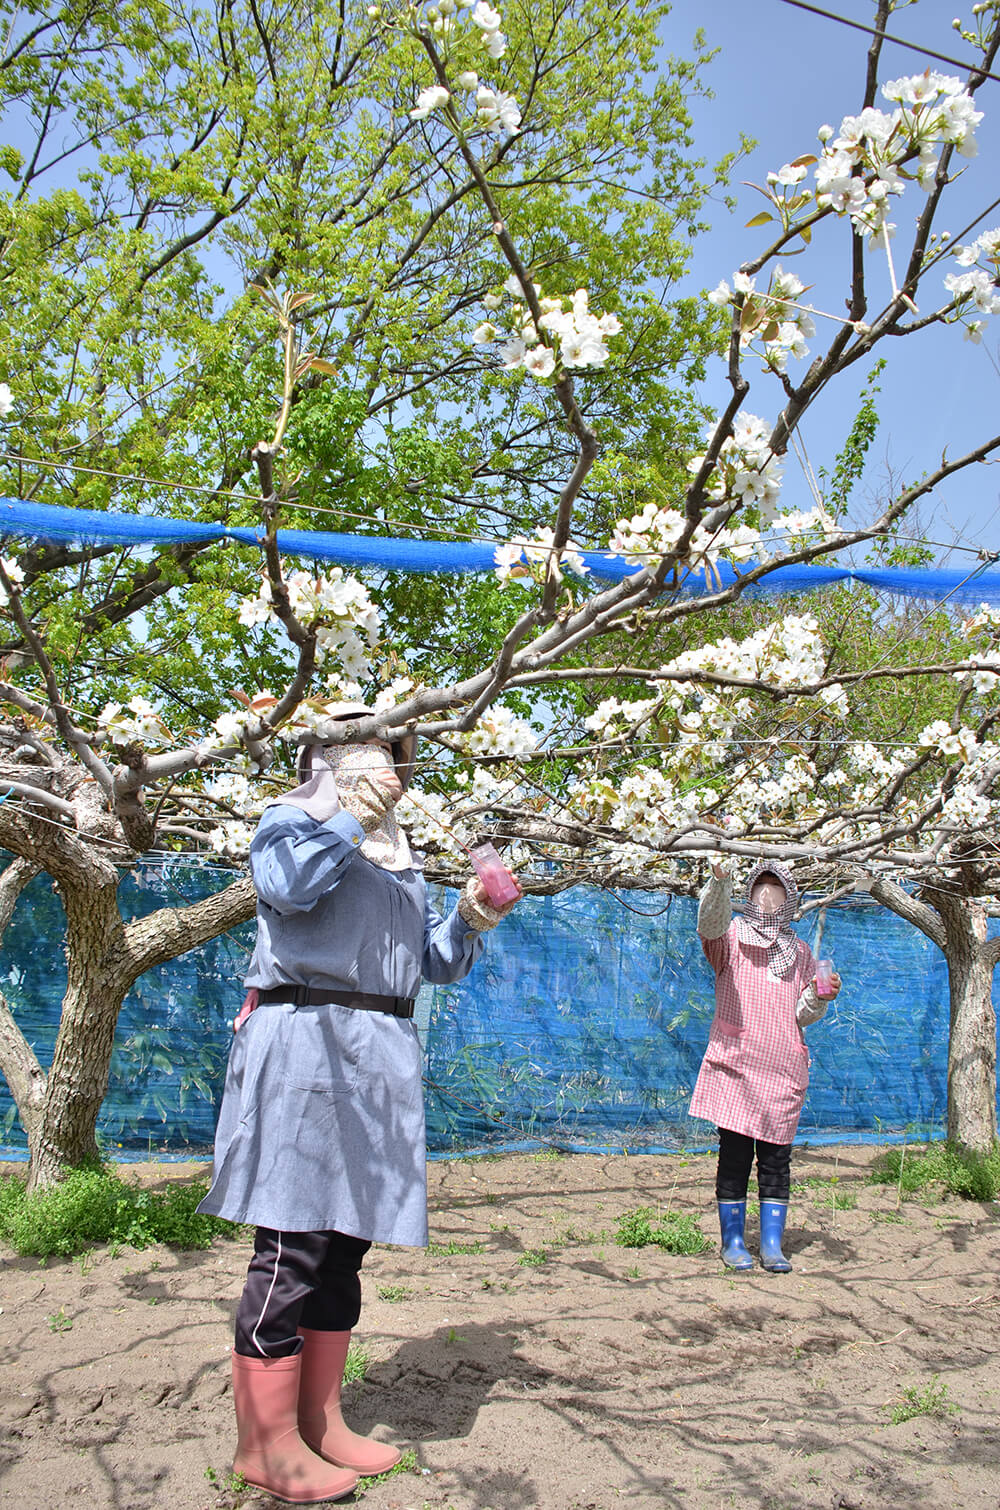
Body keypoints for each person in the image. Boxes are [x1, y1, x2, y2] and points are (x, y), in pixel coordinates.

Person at [198, 704, 522, 1503]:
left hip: (379, 1053)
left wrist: (471, 916)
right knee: (293, 1241)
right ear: (325, 757)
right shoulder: (292, 821)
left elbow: (428, 965)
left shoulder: (397, 853)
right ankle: (264, 1442)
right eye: (366, 751)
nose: (384, 765)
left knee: (346, 1244)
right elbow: (284, 885)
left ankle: (322, 1420)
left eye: (390, 753)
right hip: (308, 1042)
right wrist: (345, 814)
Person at [688, 859, 840, 1273]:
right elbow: (710, 922)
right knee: (734, 1156)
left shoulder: (801, 952)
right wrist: (719, 882)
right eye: (761, 889)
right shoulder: (730, 939)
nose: (768, 897)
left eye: (778, 890)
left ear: (791, 900)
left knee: (776, 1161)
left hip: (782, 1070)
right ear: (750, 895)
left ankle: (772, 1246)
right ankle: (733, 1243)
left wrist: (821, 998)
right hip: (737, 1068)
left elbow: (802, 1012)